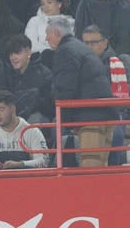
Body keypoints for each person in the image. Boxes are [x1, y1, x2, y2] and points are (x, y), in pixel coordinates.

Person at [42, 14, 112, 166]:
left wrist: (65, 122)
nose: (46, 39)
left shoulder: (65, 51)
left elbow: (65, 90)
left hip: (90, 117)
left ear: (57, 33)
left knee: (90, 169)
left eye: (47, 35)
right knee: (101, 169)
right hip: (103, 114)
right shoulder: (78, 47)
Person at [0, 88, 48, 169]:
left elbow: (44, 162)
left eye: (1, 110)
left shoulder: (32, 132)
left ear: (13, 109)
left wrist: (20, 164)